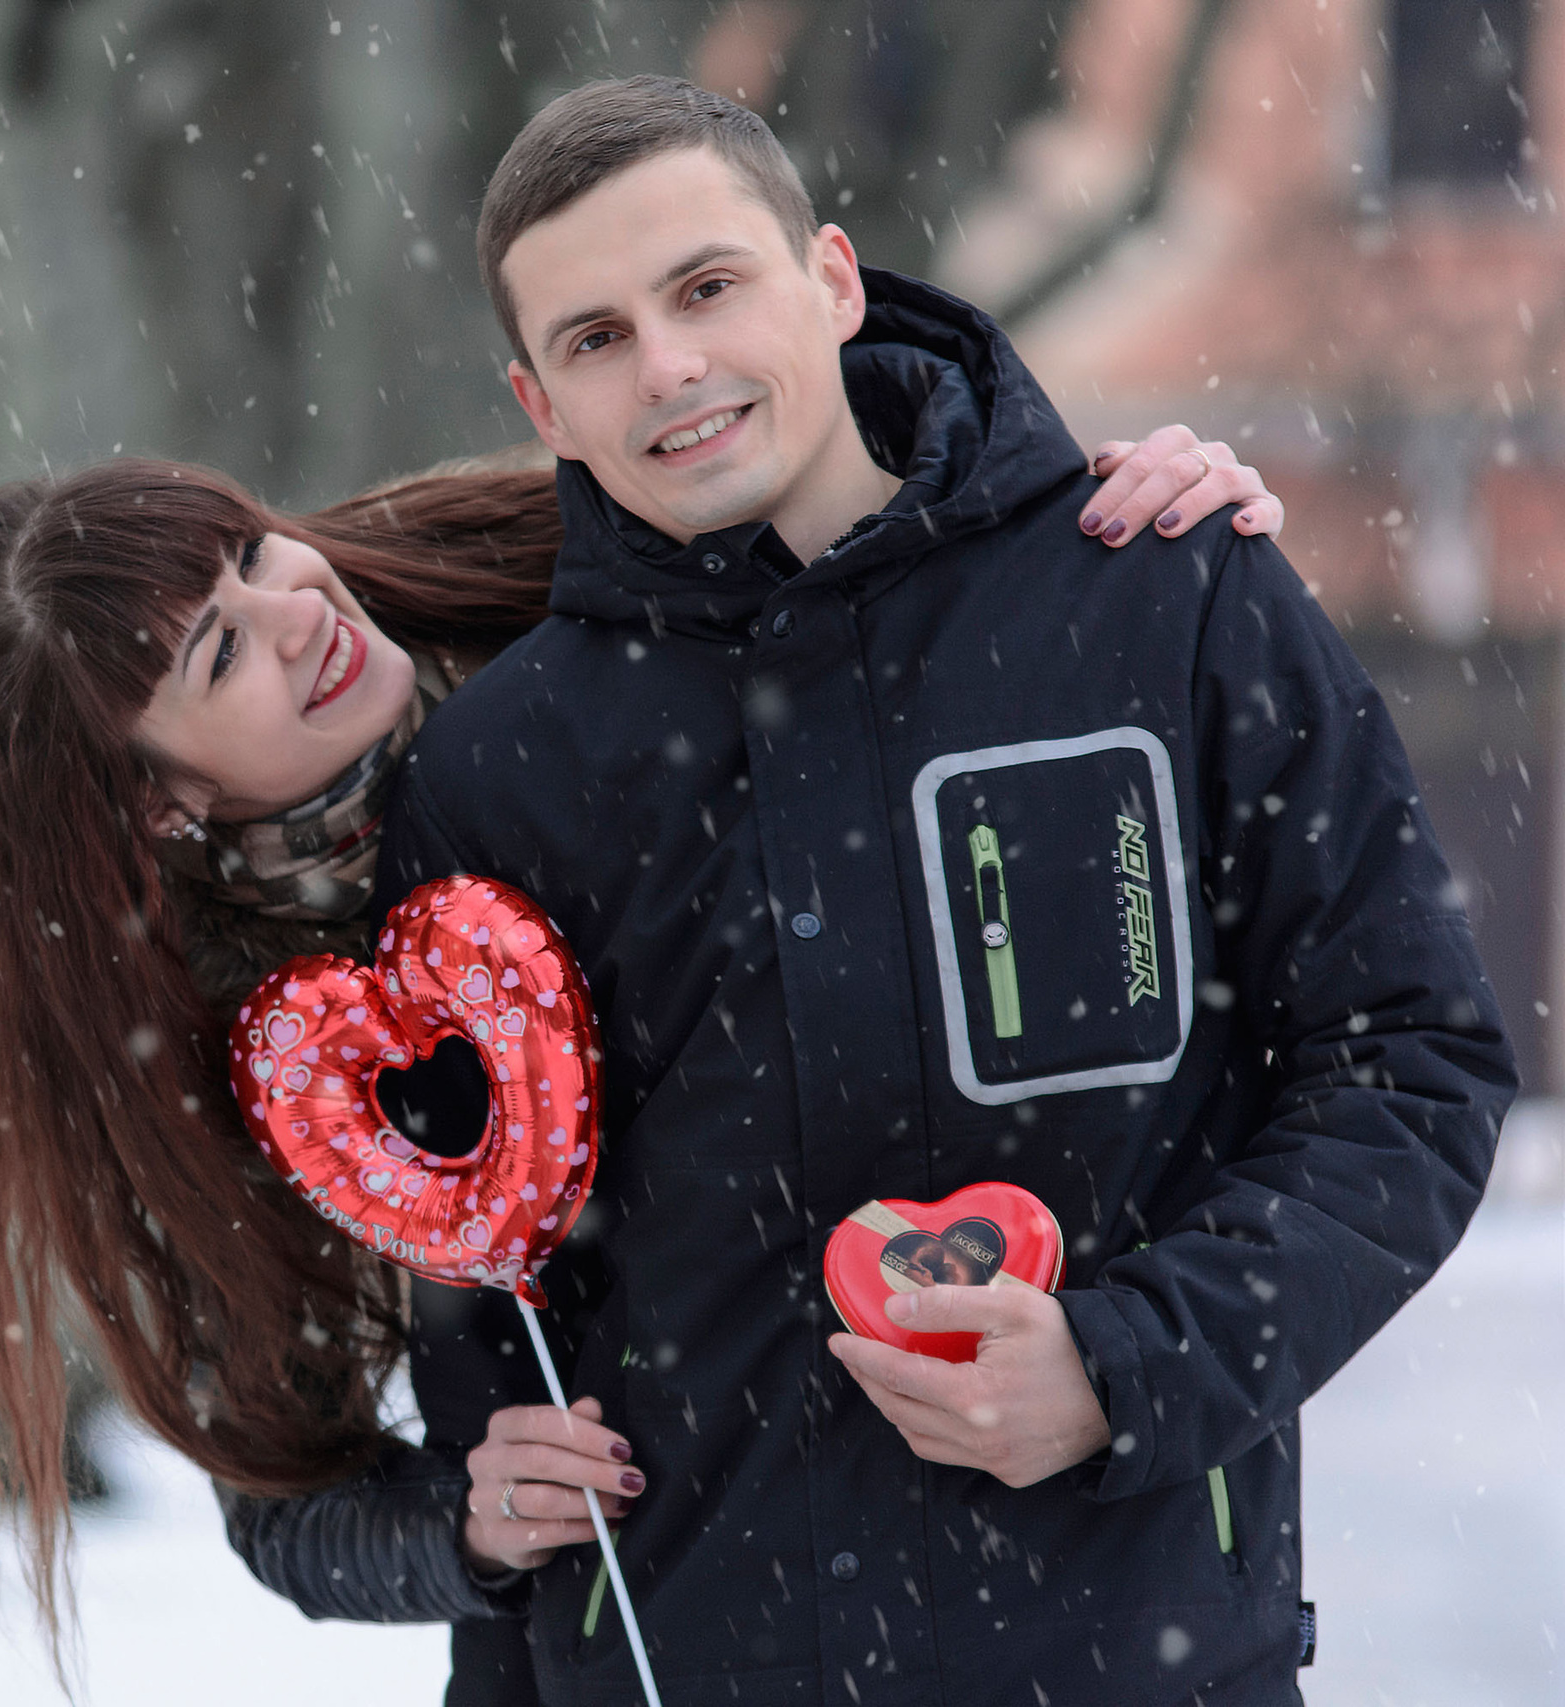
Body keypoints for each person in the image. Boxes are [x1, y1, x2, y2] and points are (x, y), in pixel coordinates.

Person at [341, 75, 1513, 1705]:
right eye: (597, 338)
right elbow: (496, 1304)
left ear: (829, 278)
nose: (669, 364)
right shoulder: (501, 772)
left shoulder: (1162, 595)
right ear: (542, 407)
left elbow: (1409, 1061)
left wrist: (1132, 1367)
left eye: (705, 286)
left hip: (1143, 1659)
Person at [0, 412, 1282, 1648]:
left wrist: (1095, 510)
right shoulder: (241, 1045)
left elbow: (903, 537)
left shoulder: (599, 589)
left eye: (253, 554)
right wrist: (465, 1524)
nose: (296, 606)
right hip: (679, 1612)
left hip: (1074, 1535)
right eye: (220, 652)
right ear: (157, 806)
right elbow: (283, 1502)